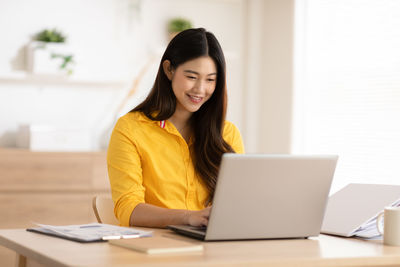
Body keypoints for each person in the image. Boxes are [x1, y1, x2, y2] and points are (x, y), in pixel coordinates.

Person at [107, 28, 244, 228]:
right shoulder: (130, 129)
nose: (200, 89)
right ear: (169, 69)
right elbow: (128, 209)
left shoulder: (227, 133)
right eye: (191, 76)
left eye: (210, 80)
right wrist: (188, 217)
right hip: (153, 248)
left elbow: (237, 204)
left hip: (211, 247)